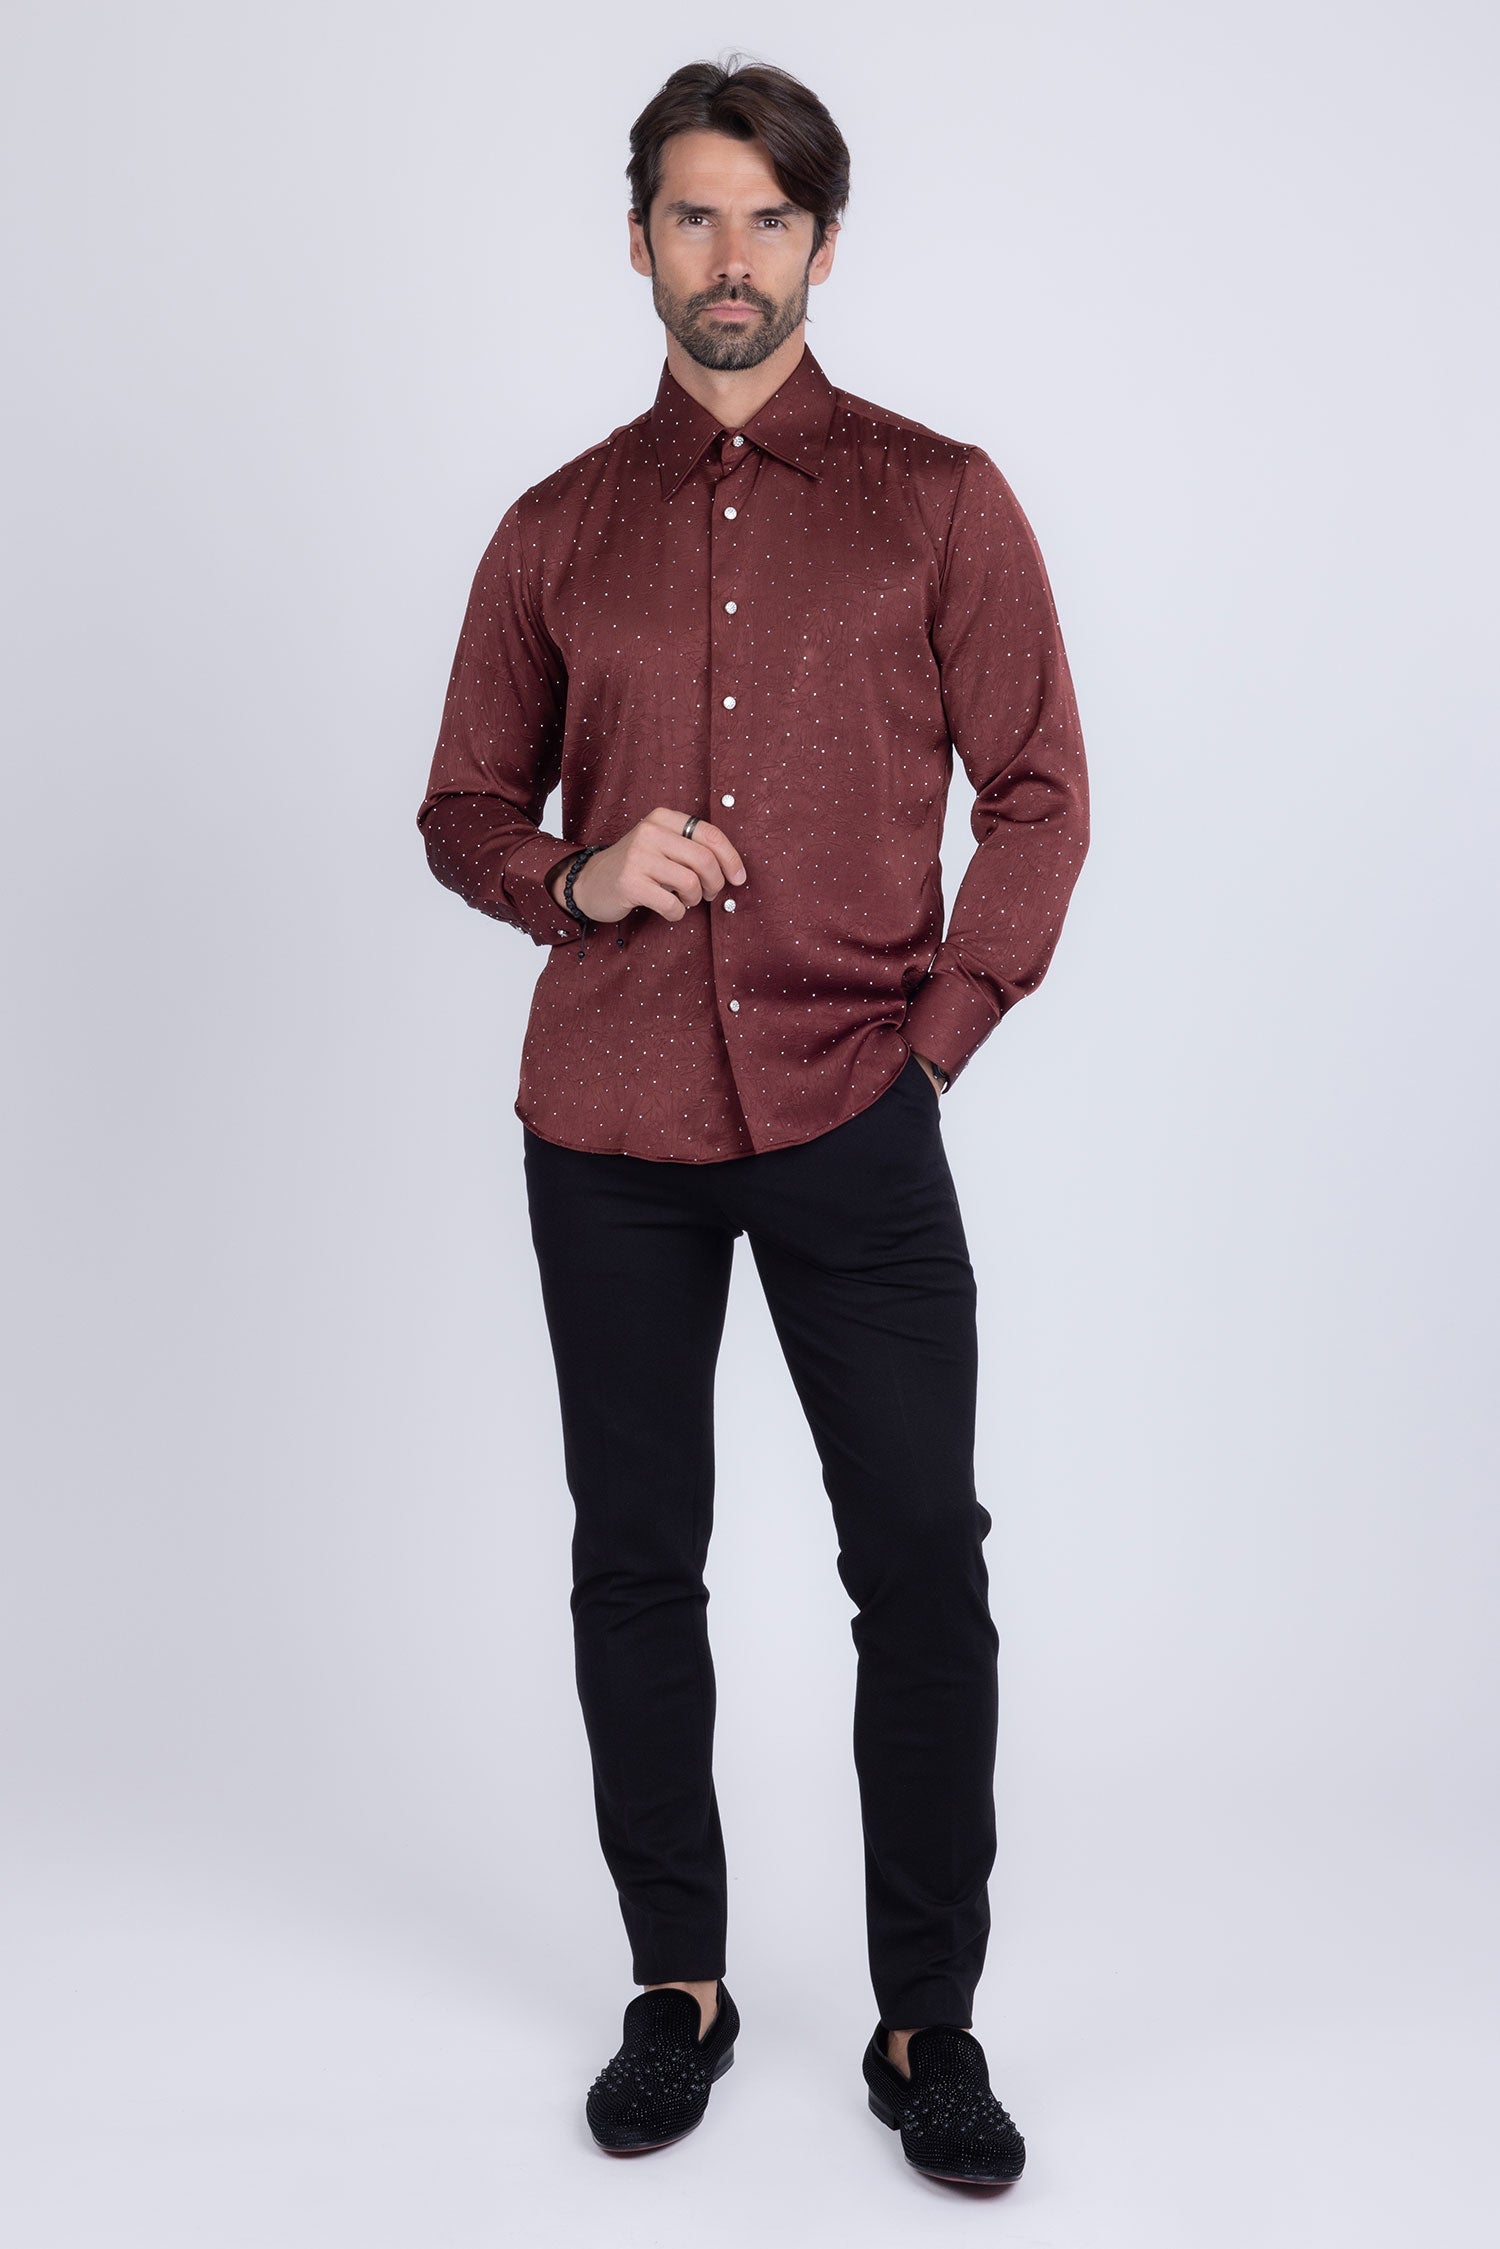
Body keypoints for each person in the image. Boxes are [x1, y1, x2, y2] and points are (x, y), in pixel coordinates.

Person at [415, 55, 1089, 2187]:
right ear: (639, 239)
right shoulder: (553, 529)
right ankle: (678, 1985)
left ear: (823, 243)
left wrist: (937, 1040)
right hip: (604, 1123)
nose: (732, 258)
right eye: (694, 216)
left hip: (851, 1105)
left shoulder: (939, 500)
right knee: (637, 1560)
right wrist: (575, 872)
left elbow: (1044, 796)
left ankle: (927, 2024)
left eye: (769, 219)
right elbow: (461, 804)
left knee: (924, 1566)